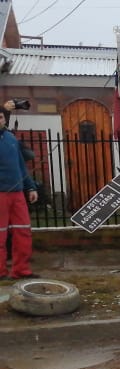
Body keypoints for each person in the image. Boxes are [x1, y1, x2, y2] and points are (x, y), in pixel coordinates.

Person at [0, 101, 39, 280]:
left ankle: (21, 270)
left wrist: (30, 187)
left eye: (0, 117)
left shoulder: (11, 138)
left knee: (23, 230)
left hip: (17, 194)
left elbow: (21, 165)